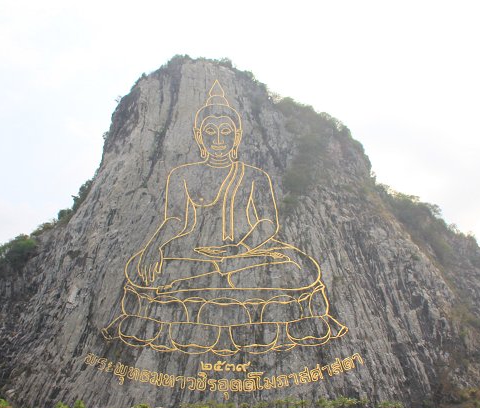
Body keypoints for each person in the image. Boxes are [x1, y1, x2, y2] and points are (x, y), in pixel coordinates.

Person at [103, 80, 347, 356]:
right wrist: (152, 248)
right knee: (148, 269)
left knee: (296, 267)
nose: (218, 140)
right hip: (196, 254)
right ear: (198, 135)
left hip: (247, 255)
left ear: (237, 135)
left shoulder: (255, 175)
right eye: (210, 132)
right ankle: (209, 284)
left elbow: (267, 222)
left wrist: (240, 249)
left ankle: (199, 288)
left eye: (226, 132)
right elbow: (176, 220)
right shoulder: (182, 174)